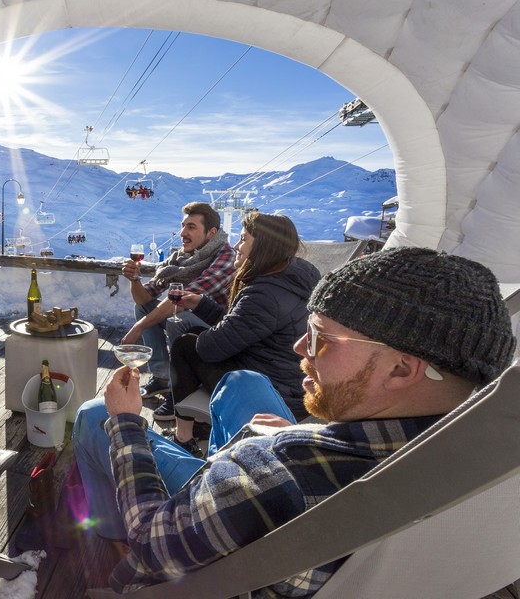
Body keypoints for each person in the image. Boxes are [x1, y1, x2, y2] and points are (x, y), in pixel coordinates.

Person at [73, 246, 516, 595]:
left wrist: (128, 423)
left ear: (401, 369)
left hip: (212, 548)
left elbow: (153, 545)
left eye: (321, 338)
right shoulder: (490, 460)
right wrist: (310, 433)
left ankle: (107, 532)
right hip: (340, 522)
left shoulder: (277, 471)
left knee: (97, 415)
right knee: (243, 381)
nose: (300, 348)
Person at [157, 213, 321, 455]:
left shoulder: (264, 294)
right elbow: (244, 326)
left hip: (273, 392)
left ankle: (183, 436)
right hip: (291, 379)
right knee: (194, 333)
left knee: (186, 343)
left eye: (243, 239)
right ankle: (201, 425)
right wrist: (202, 305)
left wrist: (205, 333)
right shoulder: (296, 275)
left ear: (263, 246)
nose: (236, 245)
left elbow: (210, 348)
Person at [120, 202, 236, 399]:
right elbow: (144, 298)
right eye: (183, 226)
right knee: (144, 309)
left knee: (178, 319)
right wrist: (135, 279)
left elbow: (181, 299)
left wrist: (138, 328)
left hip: (219, 328)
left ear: (211, 233)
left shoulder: (226, 256)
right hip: (191, 317)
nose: (182, 233)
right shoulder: (181, 258)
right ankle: (162, 377)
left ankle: (183, 385)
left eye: (191, 227)